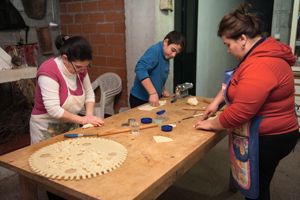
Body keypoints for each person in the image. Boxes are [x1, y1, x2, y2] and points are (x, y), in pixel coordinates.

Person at [194, 4, 299, 200]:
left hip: (271, 137)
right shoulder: (258, 52)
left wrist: (211, 124)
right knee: (259, 183)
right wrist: (217, 102)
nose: (227, 50)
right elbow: (234, 80)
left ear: (242, 39)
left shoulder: (260, 64)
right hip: (275, 131)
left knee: (257, 190)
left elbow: (239, 113)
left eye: (227, 44)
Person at [30, 35, 104, 144]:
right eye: (78, 67)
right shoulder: (49, 71)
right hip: (46, 127)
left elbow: (89, 94)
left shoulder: (81, 69)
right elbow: (53, 110)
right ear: (65, 58)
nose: (82, 70)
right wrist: (84, 120)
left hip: (71, 123)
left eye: (86, 66)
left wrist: (89, 115)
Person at [129, 30, 185, 108]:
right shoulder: (155, 50)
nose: (174, 55)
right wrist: (153, 93)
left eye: (176, 53)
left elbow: (159, 75)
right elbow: (140, 69)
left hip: (153, 98)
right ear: (166, 42)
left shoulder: (166, 55)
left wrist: (162, 90)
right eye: (173, 50)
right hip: (140, 99)